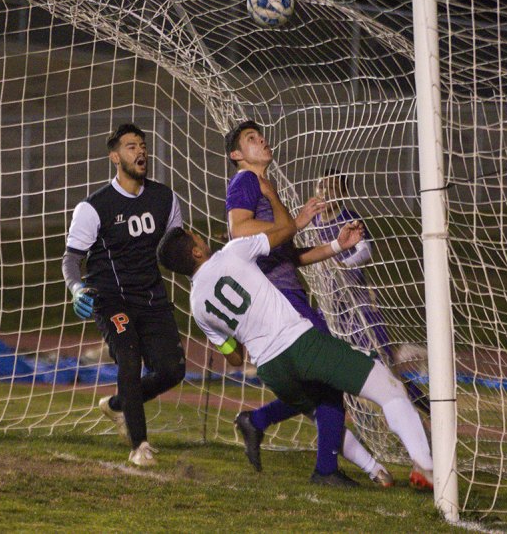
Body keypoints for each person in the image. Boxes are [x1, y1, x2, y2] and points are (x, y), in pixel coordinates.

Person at [156, 219, 434, 490]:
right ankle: (427, 468)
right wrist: (331, 239)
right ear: (195, 251)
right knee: (390, 388)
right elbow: (284, 232)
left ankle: (368, 471)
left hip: (272, 369)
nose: (202, 238)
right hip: (300, 344)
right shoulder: (234, 251)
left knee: (327, 407)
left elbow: (235, 358)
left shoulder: (197, 306)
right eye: (196, 237)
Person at [224, 121, 393, 487]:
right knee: (331, 377)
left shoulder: (267, 188)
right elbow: (239, 230)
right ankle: (325, 469)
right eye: (251, 139)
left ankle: (259, 422)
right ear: (237, 154)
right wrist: (296, 221)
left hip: (289, 296)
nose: (262, 140)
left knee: (320, 388)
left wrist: (337, 247)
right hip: (279, 303)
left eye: (261, 135)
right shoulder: (246, 182)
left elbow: (290, 256)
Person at [62, 123, 186, 467]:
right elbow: (72, 258)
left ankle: (117, 405)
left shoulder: (165, 199)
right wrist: (76, 288)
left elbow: (174, 249)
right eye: (131, 146)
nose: (141, 152)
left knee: (173, 370)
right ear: (115, 156)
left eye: (143, 145)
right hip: (112, 299)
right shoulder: (93, 206)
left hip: (152, 298)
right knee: (129, 360)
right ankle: (140, 445)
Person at [313, 169, 430, 415]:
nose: (324, 192)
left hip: (358, 305)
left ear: (343, 194)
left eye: (332, 188)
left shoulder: (350, 219)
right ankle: (355, 418)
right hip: (329, 306)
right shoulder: (312, 220)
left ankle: (424, 406)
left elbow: (366, 251)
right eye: (321, 186)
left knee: (383, 366)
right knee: (329, 365)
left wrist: (344, 264)